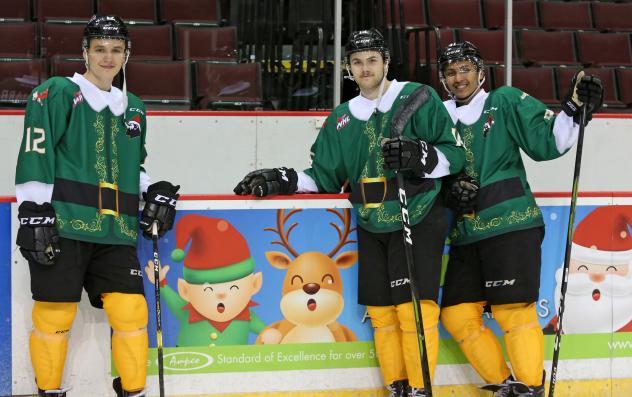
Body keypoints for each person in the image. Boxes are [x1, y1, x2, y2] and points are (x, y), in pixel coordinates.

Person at [234, 28, 465, 397]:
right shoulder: (341, 118)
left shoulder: (420, 99)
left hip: (417, 213)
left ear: (386, 62)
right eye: (357, 62)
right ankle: (396, 386)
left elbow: (455, 155)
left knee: (413, 313)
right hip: (371, 221)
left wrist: (421, 155)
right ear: (348, 69)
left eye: (372, 60)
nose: (365, 68)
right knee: (381, 313)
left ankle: (421, 389)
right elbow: (323, 177)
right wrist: (284, 178)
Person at [14, 15, 180, 397]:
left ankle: (132, 391)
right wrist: (33, 209)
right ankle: (50, 391)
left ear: (127, 55)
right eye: (100, 49)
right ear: (85, 52)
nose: (108, 57)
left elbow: (133, 163)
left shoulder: (134, 107)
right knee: (55, 316)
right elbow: (35, 151)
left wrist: (151, 189)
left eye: (116, 50)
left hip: (117, 230)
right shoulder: (57, 93)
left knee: (132, 313)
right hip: (64, 223)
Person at [437, 41, 603, 397]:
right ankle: (506, 385)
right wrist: (448, 191)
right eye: (451, 72)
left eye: (465, 69)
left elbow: (548, 142)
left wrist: (574, 107)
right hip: (466, 232)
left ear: (480, 72)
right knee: (456, 315)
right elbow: (428, 168)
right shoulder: (437, 115)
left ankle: (529, 387)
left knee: (513, 311)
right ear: (443, 79)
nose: (459, 77)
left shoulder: (504, 101)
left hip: (511, 223)